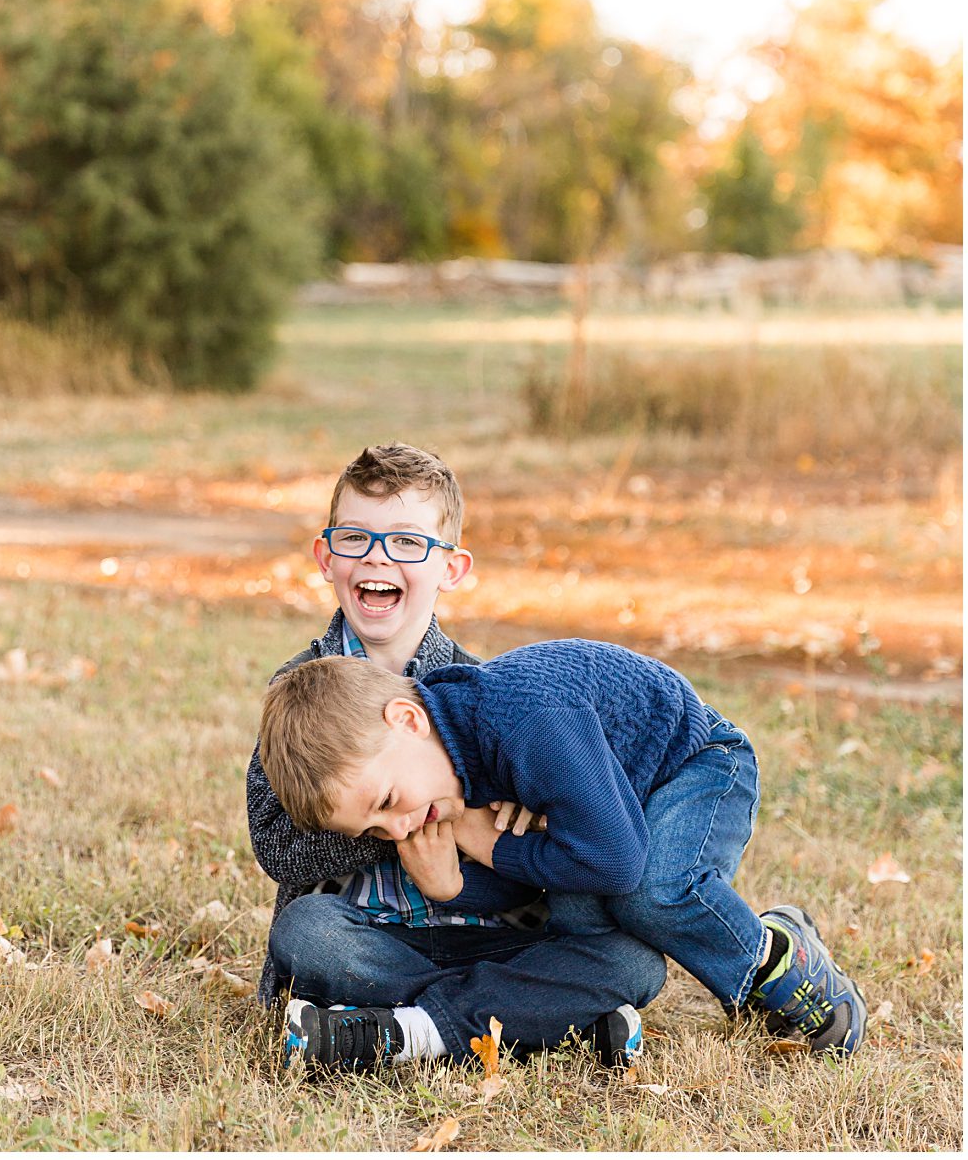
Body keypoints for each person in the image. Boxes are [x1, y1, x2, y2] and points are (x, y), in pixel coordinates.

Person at [245, 443, 667, 1071]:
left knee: (632, 961)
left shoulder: (486, 692)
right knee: (306, 935)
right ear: (326, 556)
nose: (377, 558)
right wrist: (408, 821)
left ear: (451, 568)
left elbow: (556, 841)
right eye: (356, 539)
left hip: (505, 936)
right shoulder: (299, 693)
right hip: (373, 936)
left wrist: (520, 827)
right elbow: (276, 847)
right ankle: (546, 1019)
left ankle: (398, 1028)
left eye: (408, 544)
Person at [260, 639, 869, 1067]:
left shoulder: (522, 721)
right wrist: (450, 887)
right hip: (606, 832)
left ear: (408, 719)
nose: (396, 832)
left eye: (388, 800)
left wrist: (485, 839)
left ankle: (779, 960)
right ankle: (547, 1018)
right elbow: (526, 888)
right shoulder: (447, 776)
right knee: (580, 931)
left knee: (650, 896)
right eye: (373, 831)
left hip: (693, 767)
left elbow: (615, 861)